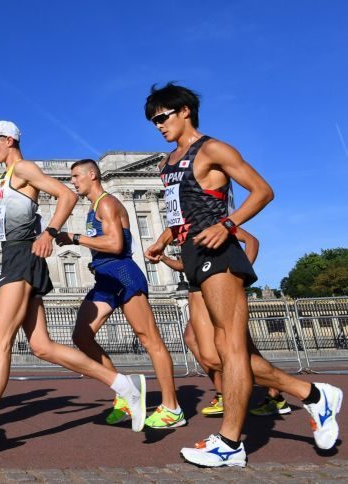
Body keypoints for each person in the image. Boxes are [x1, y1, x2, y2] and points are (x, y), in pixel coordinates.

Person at [143, 83, 341, 467]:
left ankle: (230, 442)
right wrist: (164, 238)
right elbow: (179, 211)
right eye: (153, 120)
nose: (158, 125)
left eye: (162, 117)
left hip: (219, 254)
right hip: (191, 254)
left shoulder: (214, 149)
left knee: (231, 347)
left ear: (184, 111)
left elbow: (262, 191)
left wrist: (228, 224)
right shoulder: (168, 163)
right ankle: (314, 395)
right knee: (213, 353)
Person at [0, 121, 147, 452]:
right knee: (42, 346)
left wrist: (49, 232)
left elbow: (65, 194)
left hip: (24, 254)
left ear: (9, 140)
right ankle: (124, 385)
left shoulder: (23, 168)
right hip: (11, 255)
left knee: (0, 340)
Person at [56, 159, 183, 429]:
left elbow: (115, 244)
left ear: (92, 174)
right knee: (81, 335)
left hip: (123, 273)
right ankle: (125, 392)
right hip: (104, 277)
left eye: (76, 176)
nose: (73, 181)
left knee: (149, 339)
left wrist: (75, 238)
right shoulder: (94, 206)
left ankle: (172, 407)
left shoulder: (106, 202)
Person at [150, 228, 291, 417]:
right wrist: (165, 259)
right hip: (203, 291)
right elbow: (186, 266)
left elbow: (252, 241)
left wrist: (239, 278)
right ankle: (230, 391)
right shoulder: (184, 233)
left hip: (222, 289)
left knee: (238, 346)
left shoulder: (209, 221)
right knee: (195, 339)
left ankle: (283, 391)